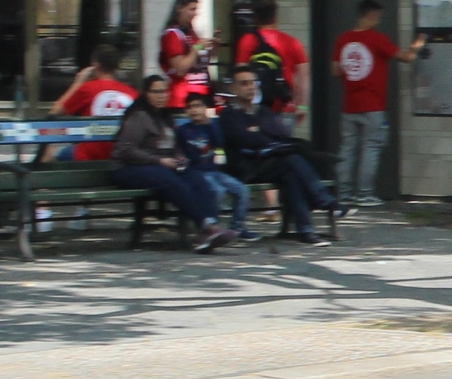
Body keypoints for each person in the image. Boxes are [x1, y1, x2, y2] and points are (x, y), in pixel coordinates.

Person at [109, 75, 238, 251]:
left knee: (198, 179)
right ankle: (207, 227)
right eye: (156, 92)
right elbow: (125, 149)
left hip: (159, 167)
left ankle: (211, 229)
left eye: (164, 91)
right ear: (146, 94)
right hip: (128, 168)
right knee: (169, 179)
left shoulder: (164, 117)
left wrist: (178, 156)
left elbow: (172, 147)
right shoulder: (139, 117)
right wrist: (159, 160)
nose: (161, 96)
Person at [222, 66, 339, 245]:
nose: (250, 87)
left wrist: (259, 130)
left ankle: (306, 230)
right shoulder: (229, 114)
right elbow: (242, 139)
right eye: (244, 83)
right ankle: (324, 202)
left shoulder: (263, 111)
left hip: (272, 162)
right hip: (247, 166)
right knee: (292, 161)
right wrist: (263, 134)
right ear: (233, 88)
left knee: (291, 172)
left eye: (253, 82)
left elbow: (282, 132)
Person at [333, 0, 426, 204]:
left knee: (347, 149)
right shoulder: (377, 39)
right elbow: (406, 57)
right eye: (379, 16)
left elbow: (335, 70)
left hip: (349, 104)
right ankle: (364, 194)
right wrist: (417, 46)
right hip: (373, 104)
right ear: (372, 15)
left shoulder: (343, 39)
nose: (379, 20)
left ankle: (344, 194)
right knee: (370, 148)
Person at [175, 91, 259, 240]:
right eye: (190, 107)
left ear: (205, 108)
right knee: (216, 191)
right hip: (197, 172)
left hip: (213, 170)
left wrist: (210, 125)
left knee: (242, 190)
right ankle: (214, 229)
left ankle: (238, 227)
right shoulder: (183, 130)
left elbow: (219, 143)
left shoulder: (212, 125)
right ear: (186, 111)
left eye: (198, 106)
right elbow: (178, 150)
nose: (194, 110)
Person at [51, 44, 137, 162]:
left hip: (91, 154)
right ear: (117, 66)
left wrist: (77, 83)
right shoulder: (132, 93)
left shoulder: (87, 88)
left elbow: (54, 112)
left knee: (50, 151)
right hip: (125, 154)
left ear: (95, 65)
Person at [234, 0, 309, 115]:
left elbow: (240, 73)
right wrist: (302, 106)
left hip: (256, 104)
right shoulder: (293, 42)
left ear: (256, 19)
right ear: (275, 18)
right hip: (284, 105)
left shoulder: (247, 41)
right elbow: (303, 77)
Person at [158, 0, 214, 106]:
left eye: (196, 10)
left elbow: (199, 63)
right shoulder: (172, 35)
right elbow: (180, 69)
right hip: (183, 96)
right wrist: (197, 48)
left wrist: (212, 48)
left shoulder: (190, 33)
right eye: (191, 9)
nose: (195, 14)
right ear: (179, 8)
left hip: (201, 93)